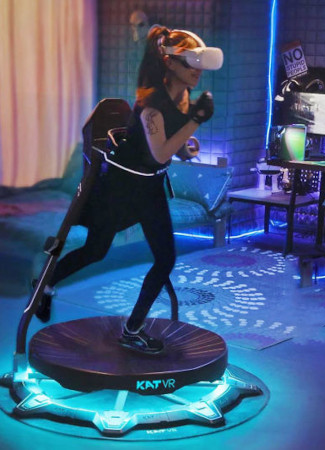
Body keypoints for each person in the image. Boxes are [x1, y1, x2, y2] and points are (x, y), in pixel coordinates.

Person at [35, 25, 223, 354]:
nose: (197, 71)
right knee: (96, 251)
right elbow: (159, 153)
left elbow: (172, 150)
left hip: (150, 187)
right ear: (170, 63)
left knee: (165, 259)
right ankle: (45, 284)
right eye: (190, 63)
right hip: (120, 189)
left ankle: (132, 329)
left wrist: (187, 146)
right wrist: (196, 121)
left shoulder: (183, 98)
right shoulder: (150, 104)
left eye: (199, 64)